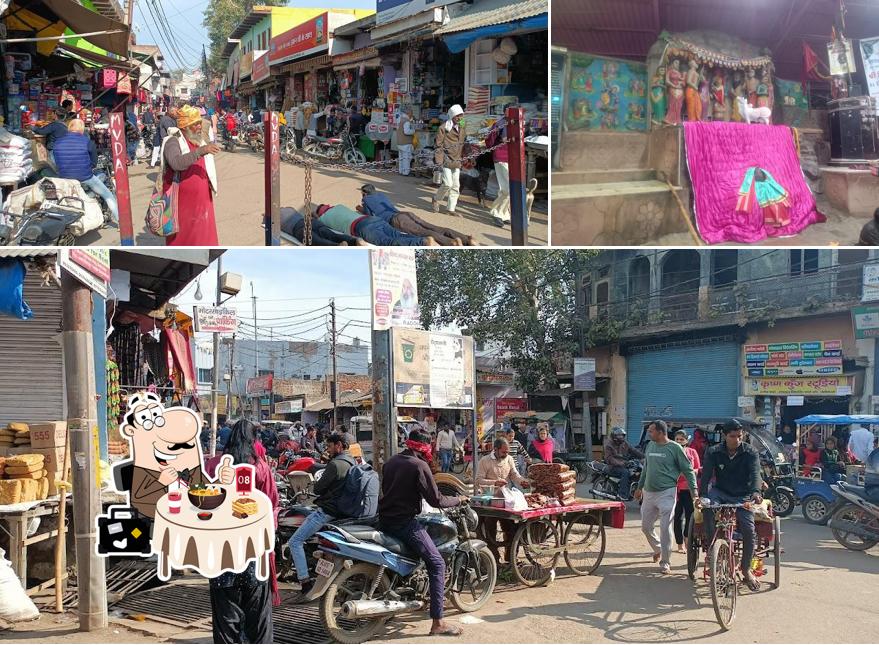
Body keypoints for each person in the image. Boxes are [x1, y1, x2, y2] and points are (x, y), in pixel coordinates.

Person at [379, 430, 466, 636]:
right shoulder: (419, 465)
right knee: (437, 563)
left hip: (383, 520)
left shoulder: (391, 462)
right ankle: (438, 623)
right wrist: (458, 499)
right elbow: (436, 500)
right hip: (404, 523)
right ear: (425, 447)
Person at [206, 419, 279, 644]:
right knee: (258, 616)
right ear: (253, 440)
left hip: (221, 551)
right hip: (253, 549)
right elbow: (272, 504)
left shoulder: (213, 466)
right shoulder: (260, 468)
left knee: (225, 616)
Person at [287, 431, 355, 597]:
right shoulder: (352, 462)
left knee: (295, 542)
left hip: (326, 512)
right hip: (341, 513)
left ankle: (305, 582)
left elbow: (317, 489)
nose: (328, 450)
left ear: (339, 446)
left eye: (330, 446)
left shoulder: (335, 464)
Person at [699, 418, 762, 590]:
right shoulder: (713, 451)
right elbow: (706, 475)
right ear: (724, 436)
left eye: (740, 436)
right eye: (733, 436)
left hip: (743, 495)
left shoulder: (750, 452)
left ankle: (746, 569)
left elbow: (755, 474)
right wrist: (702, 495)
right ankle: (713, 550)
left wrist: (756, 492)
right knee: (708, 509)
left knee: (748, 529)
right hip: (720, 492)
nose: (737, 439)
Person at [634, 419, 698, 574]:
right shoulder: (650, 445)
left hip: (667, 493)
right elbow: (646, 468)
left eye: (651, 431)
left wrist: (694, 491)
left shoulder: (675, 448)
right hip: (649, 493)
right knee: (646, 527)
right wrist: (639, 487)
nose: (649, 433)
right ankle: (658, 548)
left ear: (661, 432)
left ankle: (665, 562)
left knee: (665, 527)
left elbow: (688, 470)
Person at [161, 105, 221, 245]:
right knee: (184, 239)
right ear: (185, 127)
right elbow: (176, 163)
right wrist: (201, 151)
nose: (199, 127)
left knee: (204, 236)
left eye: (200, 123)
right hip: (182, 203)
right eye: (195, 124)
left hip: (202, 199)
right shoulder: (172, 141)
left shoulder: (198, 141)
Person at [359, 184, 474, 246]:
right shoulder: (381, 195)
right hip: (405, 214)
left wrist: (361, 208)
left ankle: (451, 243)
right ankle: (466, 239)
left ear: (365, 193)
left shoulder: (366, 200)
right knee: (433, 227)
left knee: (423, 232)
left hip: (397, 220)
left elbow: (371, 216)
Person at [53, 119, 119, 226]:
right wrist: (88, 167)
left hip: (64, 177)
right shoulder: (87, 141)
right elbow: (94, 162)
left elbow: (56, 161)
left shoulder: (57, 142)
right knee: (108, 195)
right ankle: (120, 222)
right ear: (82, 129)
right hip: (84, 176)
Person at [475, 437, 530, 565]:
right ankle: (494, 561)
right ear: (495, 449)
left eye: (507, 452)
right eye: (503, 452)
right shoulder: (485, 461)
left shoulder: (509, 459)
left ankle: (510, 558)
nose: (506, 454)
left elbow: (514, 475)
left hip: (505, 500)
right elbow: (478, 480)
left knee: (511, 529)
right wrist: (495, 482)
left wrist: (522, 481)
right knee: (490, 532)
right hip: (489, 501)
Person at [313, 203, 438, 246]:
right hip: (373, 219)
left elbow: (315, 220)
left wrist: (316, 215)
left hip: (362, 227)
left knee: (387, 242)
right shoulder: (339, 206)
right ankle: (424, 240)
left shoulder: (323, 218)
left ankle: (422, 242)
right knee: (397, 235)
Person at [432, 104, 466, 215]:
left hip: (457, 160)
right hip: (446, 159)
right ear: (452, 116)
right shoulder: (443, 128)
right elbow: (438, 146)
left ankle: (450, 209)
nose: (459, 118)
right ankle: (436, 199)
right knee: (447, 184)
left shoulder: (462, 127)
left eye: (461, 115)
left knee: (456, 186)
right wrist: (439, 162)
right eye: (457, 116)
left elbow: (464, 143)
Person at [672, 430, 701, 553]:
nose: (679, 441)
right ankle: (679, 544)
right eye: (677, 439)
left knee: (690, 516)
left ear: (686, 440)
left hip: (689, 489)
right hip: (675, 489)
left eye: (681, 439)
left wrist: (691, 472)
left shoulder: (692, 452)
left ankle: (687, 538)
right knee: (677, 517)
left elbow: (698, 468)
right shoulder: (671, 452)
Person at [280, 207, 362, 246]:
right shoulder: (289, 208)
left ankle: (337, 246)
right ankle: (353, 241)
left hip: (298, 228)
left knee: (317, 241)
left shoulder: (275, 217)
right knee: (330, 234)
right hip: (311, 221)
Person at [603, 427, 644, 500]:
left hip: (623, 465)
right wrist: (620, 463)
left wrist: (645, 457)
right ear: (614, 436)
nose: (621, 437)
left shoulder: (624, 443)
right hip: (612, 467)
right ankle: (622, 494)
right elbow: (609, 458)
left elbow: (634, 450)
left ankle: (631, 489)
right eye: (619, 435)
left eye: (622, 435)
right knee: (625, 472)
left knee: (635, 471)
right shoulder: (609, 445)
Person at [485, 115, 510, 226]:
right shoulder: (502, 123)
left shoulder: (511, 122)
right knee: (507, 188)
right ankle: (496, 212)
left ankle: (504, 213)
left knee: (509, 188)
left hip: (510, 157)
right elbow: (505, 139)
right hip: (502, 157)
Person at [397, 105, 415, 175]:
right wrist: (413, 131)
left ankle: (401, 171)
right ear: (408, 113)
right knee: (406, 158)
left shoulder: (400, 119)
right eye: (411, 112)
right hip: (405, 143)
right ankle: (406, 172)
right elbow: (406, 131)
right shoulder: (406, 121)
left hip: (399, 142)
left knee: (401, 158)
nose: (412, 114)